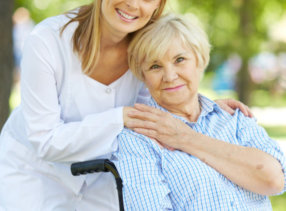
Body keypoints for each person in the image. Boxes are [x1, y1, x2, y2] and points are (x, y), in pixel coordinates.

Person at [0, 0, 251, 210]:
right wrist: (121, 118)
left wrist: (199, 105)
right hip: (34, 176)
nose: (133, 4)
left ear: (158, 2)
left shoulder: (149, 52)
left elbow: (159, 109)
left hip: (101, 179)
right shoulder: (47, 42)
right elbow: (46, 142)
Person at [113, 13, 286, 210]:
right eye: (155, 66)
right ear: (143, 75)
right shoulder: (138, 140)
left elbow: (275, 180)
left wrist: (185, 138)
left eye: (179, 59)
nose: (169, 76)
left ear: (200, 60)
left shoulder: (233, 118)